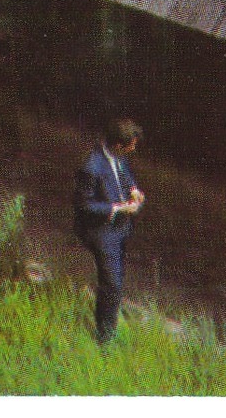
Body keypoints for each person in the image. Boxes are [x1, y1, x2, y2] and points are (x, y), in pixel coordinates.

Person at [74, 116, 145, 344]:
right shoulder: (91, 167)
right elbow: (84, 205)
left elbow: (124, 173)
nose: (133, 150)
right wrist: (118, 207)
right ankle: (105, 339)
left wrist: (133, 189)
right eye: (131, 146)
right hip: (101, 231)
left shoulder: (117, 156)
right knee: (112, 285)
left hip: (119, 228)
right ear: (117, 145)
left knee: (116, 279)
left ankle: (110, 316)